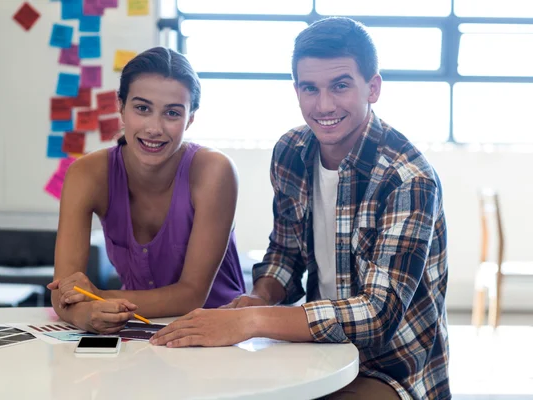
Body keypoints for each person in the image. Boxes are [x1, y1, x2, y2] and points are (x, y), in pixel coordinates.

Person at [150, 18, 450, 400]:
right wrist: (259, 297)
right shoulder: (291, 151)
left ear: (372, 88)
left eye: (340, 86)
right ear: (296, 90)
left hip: (396, 367)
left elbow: (378, 316)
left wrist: (253, 320)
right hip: (319, 350)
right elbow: (286, 256)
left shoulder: (408, 178)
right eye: (310, 88)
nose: (324, 105)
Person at [47, 47, 246, 335]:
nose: (154, 128)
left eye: (172, 113)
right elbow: (62, 289)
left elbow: (191, 295)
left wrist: (97, 298)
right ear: (121, 106)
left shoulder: (215, 171)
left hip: (219, 337)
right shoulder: (86, 174)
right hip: (139, 331)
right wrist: (85, 314)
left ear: (190, 119)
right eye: (142, 108)